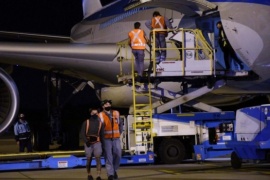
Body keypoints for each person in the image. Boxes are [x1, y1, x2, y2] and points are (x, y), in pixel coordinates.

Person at [99, 100, 122, 180]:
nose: (108, 105)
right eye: (106, 104)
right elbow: (100, 128)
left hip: (116, 138)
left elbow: (120, 124)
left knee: (118, 154)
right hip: (106, 139)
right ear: (103, 106)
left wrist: (119, 134)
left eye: (109, 104)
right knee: (108, 157)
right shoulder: (101, 115)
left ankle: (114, 170)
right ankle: (110, 174)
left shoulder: (116, 113)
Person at [80, 108, 104, 180]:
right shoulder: (86, 122)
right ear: (90, 114)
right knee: (89, 159)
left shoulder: (100, 123)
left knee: (98, 158)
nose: (94, 114)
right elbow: (82, 133)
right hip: (88, 143)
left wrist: (102, 144)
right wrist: (86, 141)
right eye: (93, 113)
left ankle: (98, 175)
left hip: (97, 142)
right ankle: (89, 174)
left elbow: (102, 135)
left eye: (96, 113)